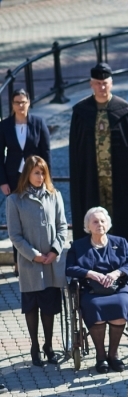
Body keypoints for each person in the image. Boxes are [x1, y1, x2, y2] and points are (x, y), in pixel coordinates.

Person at [69, 62, 128, 257]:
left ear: (111, 83)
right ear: (91, 84)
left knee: (120, 213)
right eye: (98, 83)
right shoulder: (81, 112)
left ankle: (121, 254)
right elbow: (76, 150)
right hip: (91, 175)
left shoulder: (124, 111)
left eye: (105, 83)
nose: (102, 87)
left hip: (118, 177)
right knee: (92, 213)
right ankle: (90, 255)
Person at [6, 156, 67, 367]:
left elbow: (62, 227)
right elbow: (15, 235)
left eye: (43, 173)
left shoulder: (55, 196)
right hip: (30, 264)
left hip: (50, 262)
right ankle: (34, 346)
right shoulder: (15, 200)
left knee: (49, 307)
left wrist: (54, 251)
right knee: (32, 307)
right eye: (36, 173)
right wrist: (34, 255)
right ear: (27, 174)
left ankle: (48, 346)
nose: (40, 177)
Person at [66, 207, 128, 373]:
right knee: (93, 306)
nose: (99, 224)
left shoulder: (120, 243)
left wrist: (116, 273)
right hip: (91, 290)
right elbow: (69, 268)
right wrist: (90, 273)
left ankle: (113, 355)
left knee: (122, 304)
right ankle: (101, 356)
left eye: (102, 221)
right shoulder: (78, 246)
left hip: (118, 288)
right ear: (88, 226)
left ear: (108, 224)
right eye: (95, 221)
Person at [0, 88, 51, 276]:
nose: (20, 105)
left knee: (35, 218)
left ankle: (38, 258)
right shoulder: (5, 125)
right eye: (17, 102)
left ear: (29, 102)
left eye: (23, 102)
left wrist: (47, 179)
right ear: (12, 105)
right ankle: (18, 261)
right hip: (13, 178)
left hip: (35, 176)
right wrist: (2, 181)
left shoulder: (38, 123)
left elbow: (46, 152)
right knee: (16, 221)